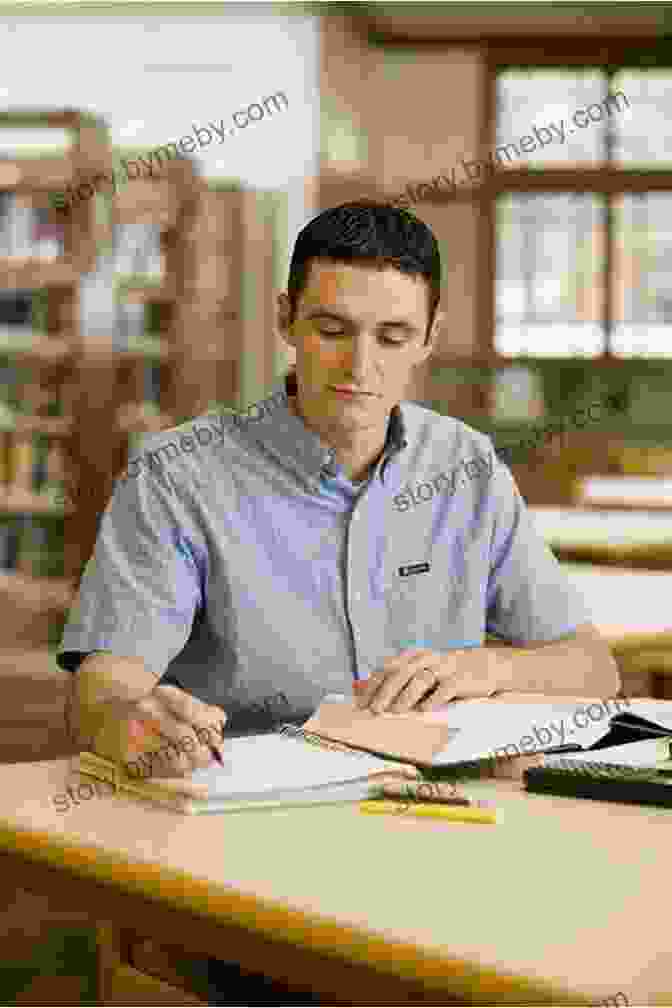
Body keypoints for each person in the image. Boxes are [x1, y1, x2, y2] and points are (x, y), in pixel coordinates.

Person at [57, 200, 619, 1003]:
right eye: (331, 328)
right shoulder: (178, 479)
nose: (359, 363)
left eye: (392, 337)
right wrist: (133, 721)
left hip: (443, 850)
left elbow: (590, 671)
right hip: (244, 872)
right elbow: (103, 692)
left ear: (428, 338)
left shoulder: (467, 467)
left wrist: (481, 668)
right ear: (286, 319)